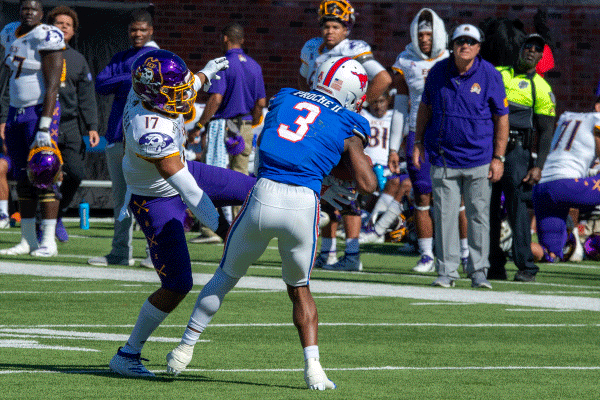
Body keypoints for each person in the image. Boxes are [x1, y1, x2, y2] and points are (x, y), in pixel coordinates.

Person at [165, 56, 376, 390]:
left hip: (263, 194)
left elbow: (282, 141)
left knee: (225, 277)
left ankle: (183, 350)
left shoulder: (286, 96)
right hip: (303, 204)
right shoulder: (348, 120)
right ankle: (314, 371)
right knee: (300, 290)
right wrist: (340, 168)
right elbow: (366, 184)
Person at [107, 49, 257, 377]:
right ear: (153, 94)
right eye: (174, 92)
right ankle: (127, 354)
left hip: (186, 169)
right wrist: (225, 232)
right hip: (156, 198)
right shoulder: (149, 130)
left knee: (258, 190)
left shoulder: (150, 90)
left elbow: (185, 86)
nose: (184, 96)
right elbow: (190, 192)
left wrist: (204, 72)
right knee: (177, 283)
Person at [413, 24, 509, 289]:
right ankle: (447, 272)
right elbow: (425, 108)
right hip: (444, 157)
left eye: (470, 42)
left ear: (478, 47)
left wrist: (499, 157)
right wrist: (418, 141)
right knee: (444, 216)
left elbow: (501, 117)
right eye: (460, 41)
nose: (464, 46)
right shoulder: (437, 71)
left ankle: (479, 272)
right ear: (452, 45)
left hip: (480, 158)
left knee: (479, 216)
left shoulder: (490, 74)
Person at [302, 0, 391, 271]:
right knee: (324, 190)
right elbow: (302, 81)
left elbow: (384, 79)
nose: (330, 31)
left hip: (343, 129)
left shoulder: (354, 49)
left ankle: (352, 255)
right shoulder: (311, 48)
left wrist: (356, 108)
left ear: (346, 28)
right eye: (326, 26)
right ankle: (327, 253)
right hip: (320, 127)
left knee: (347, 190)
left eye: (335, 26)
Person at [388, 9, 470, 273]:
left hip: (448, 132)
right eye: (420, 34)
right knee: (422, 195)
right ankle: (426, 254)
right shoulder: (405, 60)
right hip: (418, 133)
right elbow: (400, 107)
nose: (424, 39)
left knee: (457, 196)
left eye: (429, 34)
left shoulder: (451, 58)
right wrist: (393, 148)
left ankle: (465, 253)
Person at [89, 9, 158, 268]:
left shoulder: (158, 58)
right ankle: (120, 252)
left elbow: (153, 88)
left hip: (144, 138)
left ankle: (154, 254)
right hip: (117, 137)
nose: (137, 34)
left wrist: (123, 82)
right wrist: (131, 77)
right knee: (120, 199)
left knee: (149, 198)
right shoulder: (121, 57)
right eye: (133, 29)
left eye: (142, 29)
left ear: (150, 30)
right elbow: (100, 84)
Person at [188, 22, 266, 242]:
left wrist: (199, 126)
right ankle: (243, 230)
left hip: (224, 126)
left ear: (224, 38)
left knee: (214, 175)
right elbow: (261, 102)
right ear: (242, 40)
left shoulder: (223, 64)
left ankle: (212, 229)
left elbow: (216, 98)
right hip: (245, 125)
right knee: (241, 178)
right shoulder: (255, 66)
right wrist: (252, 123)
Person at [488, 33, 556, 283]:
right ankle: (493, 265)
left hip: (517, 152)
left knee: (517, 211)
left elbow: (546, 131)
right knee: (487, 208)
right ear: (520, 49)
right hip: (489, 149)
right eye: (528, 46)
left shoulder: (541, 87)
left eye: (537, 49)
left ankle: (526, 266)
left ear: (540, 57)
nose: (531, 51)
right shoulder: (497, 73)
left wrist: (538, 166)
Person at [0, 0, 65, 257]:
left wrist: (44, 126)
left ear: (41, 13)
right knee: (22, 177)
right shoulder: (9, 31)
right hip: (16, 111)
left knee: (45, 173)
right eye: (25, 8)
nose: (29, 12)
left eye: (34, 9)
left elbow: (53, 86)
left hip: (39, 112)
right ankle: (28, 240)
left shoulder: (46, 35)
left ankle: (48, 241)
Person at [47, 5, 99, 242]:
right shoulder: (40, 54)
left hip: (69, 125)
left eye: (68, 24)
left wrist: (92, 126)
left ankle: (57, 215)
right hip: (44, 123)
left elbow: (86, 96)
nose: (63, 27)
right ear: (50, 27)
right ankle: (43, 222)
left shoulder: (78, 59)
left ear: (73, 31)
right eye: (59, 23)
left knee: (76, 173)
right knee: (44, 174)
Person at [532, 99, 600, 265]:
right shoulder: (597, 119)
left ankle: (515, 246)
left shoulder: (566, 116)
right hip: (566, 186)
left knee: (550, 253)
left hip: (542, 188)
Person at [356, 90, 412, 244]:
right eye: (375, 102)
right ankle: (369, 225)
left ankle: (373, 226)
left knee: (391, 183)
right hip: (367, 166)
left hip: (390, 167)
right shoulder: (364, 116)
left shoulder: (396, 115)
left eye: (381, 101)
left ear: (388, 101)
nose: (378, 106)